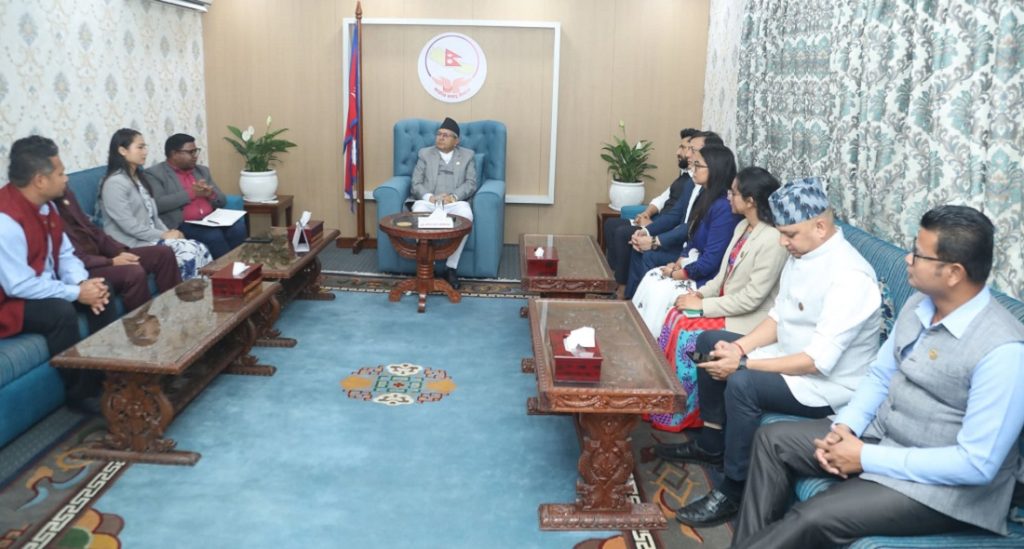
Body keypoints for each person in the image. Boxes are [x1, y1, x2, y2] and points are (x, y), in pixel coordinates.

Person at [733, 205, 1024, 548]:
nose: (907, 259)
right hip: (880, 436)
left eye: (918, 254)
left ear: (953, 273)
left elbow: (977, 464)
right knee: (773, 440)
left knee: (815, 515)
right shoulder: (919, 305)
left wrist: (863, 457)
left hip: (943, 488)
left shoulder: (1003, 351)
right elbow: (880, 376)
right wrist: (845, 427)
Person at [661, 177, 883, 527]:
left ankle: (733, 490)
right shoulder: (803, 253)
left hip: (827, 385)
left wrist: (743, 364)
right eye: (781, 233)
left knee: (742, 384)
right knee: (710, 343)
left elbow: (815, 362)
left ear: (820, 227)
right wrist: (738, 347)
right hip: (788, 357)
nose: (783, 242)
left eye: (789, 234)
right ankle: (712, 444)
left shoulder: (850, 276)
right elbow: (777, 318)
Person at [648, 167, 788, 432]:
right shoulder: (743, 227)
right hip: (727, 304)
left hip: (749, 318)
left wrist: (703, 307)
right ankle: (662, 403)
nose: (728, 197)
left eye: (733, 193)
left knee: (688, 331)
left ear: (750, 201)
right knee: (675, 314)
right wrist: (699, 295)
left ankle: (689, 415)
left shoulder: (771, 239)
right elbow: (722, 277)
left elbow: (752, 299)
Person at [0, 136, 118, 405]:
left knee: (104, 288)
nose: (66, 179)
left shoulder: (48, 207)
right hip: (9, 301)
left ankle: (110, 376)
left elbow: (65, 255)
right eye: (61, 173)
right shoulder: (5, 221)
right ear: (40, 180)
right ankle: (80, 393)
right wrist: (76, 293)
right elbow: (18, 285)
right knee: (59, 312)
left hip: (40, 288)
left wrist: (83, 285)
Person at [629, 144, 741, 327]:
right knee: (652, 278)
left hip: (705, 279)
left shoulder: (724, 209)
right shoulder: (707, 197)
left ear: (715, 169)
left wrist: (678, 273)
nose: (693, 170)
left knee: (659, 289)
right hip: (691, 267)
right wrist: (678, 262)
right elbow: (693, 240)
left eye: (698, 165)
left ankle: (651, 338)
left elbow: (711, 261)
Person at [97, 129, 212, 280]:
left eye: (145, 147)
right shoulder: (115, 183)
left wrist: (170, 234)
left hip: (150, 238)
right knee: (189, 251)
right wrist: (163, 235)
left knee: (199, 247)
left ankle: (205, 290)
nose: (145, 152)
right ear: (122, 150)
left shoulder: (139, 178)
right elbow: (129, 225)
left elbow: (154, 217)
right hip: (130, 243)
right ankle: (187, 292)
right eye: (140, 147)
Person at [624, 131, 724, 297]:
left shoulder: (715, 194)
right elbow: (674, 215)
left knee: (649, 256)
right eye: (688, 149)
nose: (688, 154)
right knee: (637, 247)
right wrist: (646, 232)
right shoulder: (691, 183)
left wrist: (655, 241)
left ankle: (643, 305)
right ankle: (631, 300)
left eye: (693, 150)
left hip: (692, 251)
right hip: (682, 246)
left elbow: (691, 226)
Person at [56, 188, 180, 312]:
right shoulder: (47, 211)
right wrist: (111, 262)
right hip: (84, 270)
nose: (65, 179)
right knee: (133, 272)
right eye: (60, 176)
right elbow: (70, 259)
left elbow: (92, 229)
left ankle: (175, 310)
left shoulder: (66, 194)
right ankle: (143, 321)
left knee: (164, 253)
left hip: (103, 256)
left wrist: (119, 252)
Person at [603, 128, 700, 284]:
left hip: (666, 230)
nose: (679, 152)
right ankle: (612, 275)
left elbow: (684, 222)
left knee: (622, 233)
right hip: (658, 220)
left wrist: (651, 227)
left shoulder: (696, 183)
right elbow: (663, 199)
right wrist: (646, 214)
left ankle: (620, 283)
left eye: (684, 148)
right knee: (610, 224)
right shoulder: (685, 177)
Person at [146, 133, 246, 258]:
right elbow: (159, 204)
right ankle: (228, 267)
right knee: (213, 236)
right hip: (183, 223)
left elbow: (222, 200)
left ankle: (241, 264)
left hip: (210, 219)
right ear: (174, 154)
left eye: (196, 151)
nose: (195, 156)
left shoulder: (202, 171)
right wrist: (192, 193)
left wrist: (211, 194)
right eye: (190, 152)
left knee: (239, 228)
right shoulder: (155, 174)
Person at [410, 117, 476, 290]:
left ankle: (451, 267)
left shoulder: (468, 156)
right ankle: (427, 265)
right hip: (430, 201)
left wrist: (453, 197)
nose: (441, 138)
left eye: (446, 135)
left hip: (454, 202)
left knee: (466, 215)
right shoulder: (425, 154)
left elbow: (470, 183)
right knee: (417, 211)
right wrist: (429, 197)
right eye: (439, 134)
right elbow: (416, 183)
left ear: (456, 141)